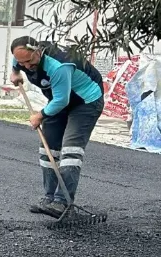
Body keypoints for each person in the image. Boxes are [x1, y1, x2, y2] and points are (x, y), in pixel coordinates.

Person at [9, 36, 104, 219]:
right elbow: (17, 63)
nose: (27, 66)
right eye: (22, 63)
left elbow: (62, 100)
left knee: (71, 151)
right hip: (59, 100)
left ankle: (62, 202)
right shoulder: (22, 55)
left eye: (29, 61)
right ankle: (49, 197)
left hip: (85, 102)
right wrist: (16, 72)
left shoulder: (59, 65)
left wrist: (40, 115)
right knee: (48, 149)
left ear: (38, 52)